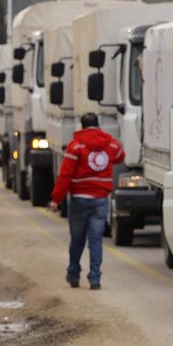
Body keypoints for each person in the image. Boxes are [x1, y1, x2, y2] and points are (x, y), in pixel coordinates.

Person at [49, 113, 125, 290]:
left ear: (82, 126)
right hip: (100, 200)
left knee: (77, 239)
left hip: (79, 200)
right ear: (98, 125)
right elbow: (120, 157)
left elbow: (65, 175)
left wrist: (56, 199)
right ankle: (95, 278)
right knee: (96, 240)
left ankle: (74, 273)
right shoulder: (111, 143)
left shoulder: (75, 146)